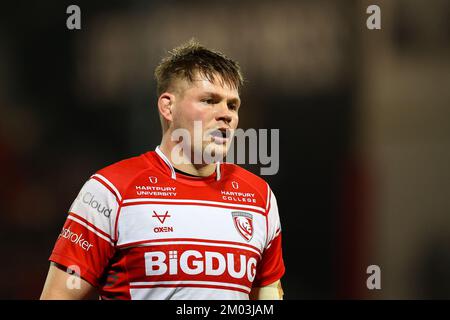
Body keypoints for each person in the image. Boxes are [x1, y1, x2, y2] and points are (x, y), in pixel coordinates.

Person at [40, 40, 285, 300]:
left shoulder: (259, 197)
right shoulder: (110, 191)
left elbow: (268, 296)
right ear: (168, 107)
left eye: (232, 105)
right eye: (209, 100)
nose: (225, 114)